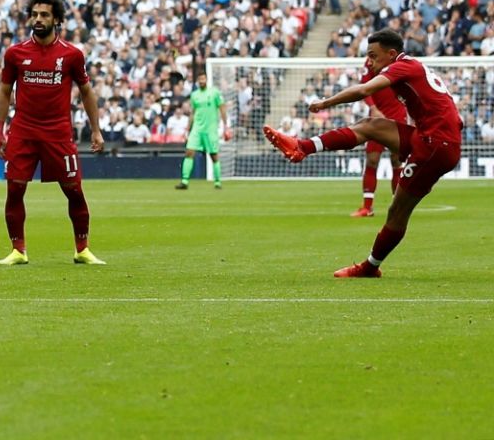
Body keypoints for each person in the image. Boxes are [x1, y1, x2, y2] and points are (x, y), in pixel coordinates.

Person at [265, 30, 462, 276]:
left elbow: (363, 91)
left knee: (397, 212)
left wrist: (325, 103)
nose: (369, 61)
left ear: (391, 54)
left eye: (373, 56)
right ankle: (302, 147)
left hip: (435, 145)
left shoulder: (402, 67)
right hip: (432, 139)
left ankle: (370, 267)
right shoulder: (413, 67)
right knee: (370, 125)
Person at [0, 0, 104, 266]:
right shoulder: (15, 53)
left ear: (56, 19)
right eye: (34, 14)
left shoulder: (72, 55)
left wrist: (96, 129)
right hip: (23, 131)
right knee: (14, 190)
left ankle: (82, 248)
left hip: (58, 132)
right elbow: (5, 91)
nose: (38, 19)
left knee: (74, 190)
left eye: (44, 15)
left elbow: (87, 92)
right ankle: (18, 250)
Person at [353, 81, 407, 219]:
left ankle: (398, 207)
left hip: (397, 117)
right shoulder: (372, 64)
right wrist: (373, 107)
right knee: (372, 161)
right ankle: (367, 207)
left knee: (397, 161)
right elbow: (364, 88)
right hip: (376, 119)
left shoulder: (399, 63)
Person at [177, 72, 225, 190]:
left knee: (214, 156)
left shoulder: (214, 93)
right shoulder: (194, 95)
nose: (202, 81)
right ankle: (184, 181)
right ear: (198, 81)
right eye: (200, 79)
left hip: (210, 129)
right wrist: (188, 127)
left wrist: (226, 125)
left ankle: (217, 182)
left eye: (203, 79)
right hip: (197, 129)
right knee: (189, 152)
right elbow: (193, 113)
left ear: (207, 79)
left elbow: (222, 108)